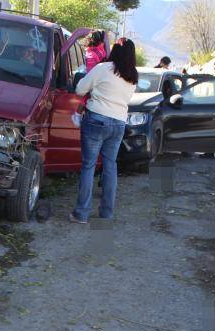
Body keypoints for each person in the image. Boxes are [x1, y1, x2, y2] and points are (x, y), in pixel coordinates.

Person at [70, 37, 138, 223]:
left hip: (96, 120)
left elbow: (80, 89)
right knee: (110, 167)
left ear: (114, 50)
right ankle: (106, 214)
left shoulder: (103, 68)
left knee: (89, 166)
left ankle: (82, 214)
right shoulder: (132, 76)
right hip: (118, 124)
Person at [72, 31, 109, 127]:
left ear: (89, 40)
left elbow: (91, 72)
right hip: (103, 81)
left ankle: (77, 114)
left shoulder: (91, 54)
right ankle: (78, 115)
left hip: (95, 80)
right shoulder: (102, 50)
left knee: (85, 96)